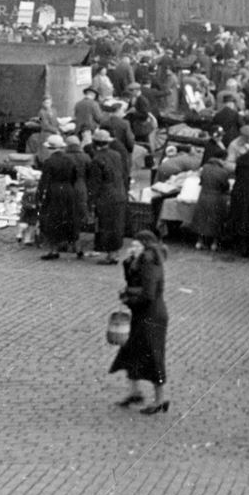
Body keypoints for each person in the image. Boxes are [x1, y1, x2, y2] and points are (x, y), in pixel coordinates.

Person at [109, 230, 169, 415]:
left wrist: (129, 299)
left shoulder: (149, 262)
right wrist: (128, 263)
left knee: (152, 357)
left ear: (145, 246)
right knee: (130, 351)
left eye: (136, 245)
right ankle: (135, 392)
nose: (132, 247)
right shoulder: (141, 260)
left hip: (151, 316)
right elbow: (131, 280)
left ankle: (160, 400)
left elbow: (148, 294)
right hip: (143, 314)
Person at [37, 135, 81, 260]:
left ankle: (53, 249)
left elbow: (44, 181)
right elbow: (75, 177)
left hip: (54, 191)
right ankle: (77, 248)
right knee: (70, 218)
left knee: (53, 220)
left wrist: (40, 196)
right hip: (68, 190)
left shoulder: (49, 162)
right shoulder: (70, 160)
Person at [88, 129, 128, 265]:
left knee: (106, 225)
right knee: (117, 225)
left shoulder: (97, 159)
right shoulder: (116, 155)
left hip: (106, 196)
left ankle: (111, 255)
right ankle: (115, 253)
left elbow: (95, 183)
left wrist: (91, 201)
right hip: (120, 193)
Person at [190, 156, 230, 252]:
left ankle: (199, 242)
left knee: (201, 219)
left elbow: (201, 182)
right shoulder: (223, 172)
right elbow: (226, 187)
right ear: (221, 159)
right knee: (216, 220)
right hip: (217, 198)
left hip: (203, 196)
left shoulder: (204, 168)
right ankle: (214, 244)